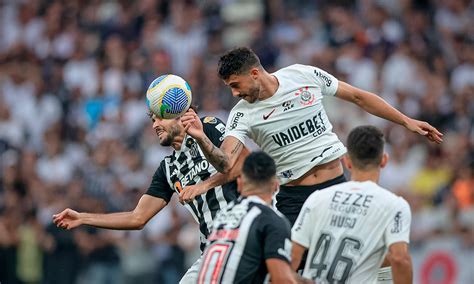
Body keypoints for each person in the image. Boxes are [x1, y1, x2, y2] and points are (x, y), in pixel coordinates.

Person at [181, 46, 442, 226]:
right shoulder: (241, 114)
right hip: (294, 200)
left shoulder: (303, 75)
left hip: (336, 185)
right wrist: (202, 138)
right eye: (229, 88)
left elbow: (358, 97)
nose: (234, 94)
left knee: (363, 254)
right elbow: (227, 161)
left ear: (254, 73)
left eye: (235, 85)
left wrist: (406, 121)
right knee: (291, 271)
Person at [53, 107, 248, 284]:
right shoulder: (168, 169)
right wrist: (83, 217)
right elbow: (137, 217)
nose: (155, 125)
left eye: (160, 118)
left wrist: (203, 185)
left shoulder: (207, 126)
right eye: (153, 120)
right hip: (212, 248)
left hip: (244, 232)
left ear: (181, 115)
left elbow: (244, 164)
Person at [291, 125, 413, 284]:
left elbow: (292, 256)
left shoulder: (318, 198)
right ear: (384, 160)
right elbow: (399, 259)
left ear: (347, 161)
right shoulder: (394, 205)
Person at [197, 151, 299, 284]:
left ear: (239, 183)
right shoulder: (271, 220)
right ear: (275, 185)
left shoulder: (223, 215)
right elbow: (281, 280)